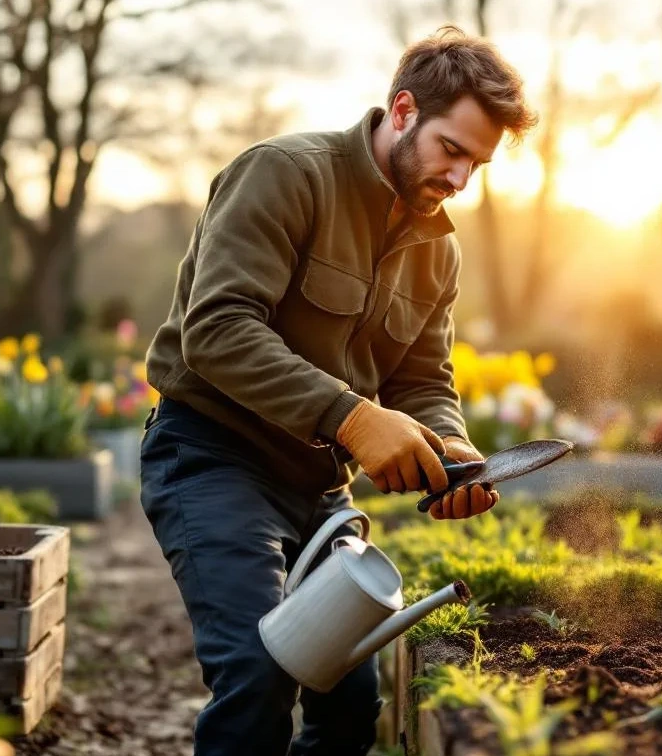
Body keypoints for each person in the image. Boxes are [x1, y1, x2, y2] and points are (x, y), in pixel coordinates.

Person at [138, 25, 536, 756]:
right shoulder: (285, 175)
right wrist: (352, 418)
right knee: (262, 672)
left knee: (349, 695)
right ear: (406, 110)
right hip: (212, 457)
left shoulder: (436, 248)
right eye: (453, 151)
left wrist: (448, 445)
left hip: (319, 487)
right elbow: (218, 330)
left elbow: (423, 379)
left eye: (476, 165)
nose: (459, 182)